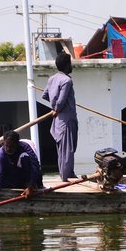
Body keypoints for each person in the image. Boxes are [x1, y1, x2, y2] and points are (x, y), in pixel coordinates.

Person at [42, 52, 79, 180]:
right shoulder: (67, 81)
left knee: (63, 150)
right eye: (70, 63)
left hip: (59, 120)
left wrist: (55, 107)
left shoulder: (52, 79)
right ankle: (66, 176)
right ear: (67, 65)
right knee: (68, 149)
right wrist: (57, 108)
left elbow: (45, 95)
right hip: (67, 120)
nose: (71, 65)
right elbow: (61, 100)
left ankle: (69, 173)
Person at [0, 130, 43, 195]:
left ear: (17, 144)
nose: (8, 149)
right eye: (6, 146)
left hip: (26, 176)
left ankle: (32, 184)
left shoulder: (26, 148)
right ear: (3, 143)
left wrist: (31, 186)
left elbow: (35, 166)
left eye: (11, 147)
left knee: (25, 157)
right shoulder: (1, 154)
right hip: (14, 177)